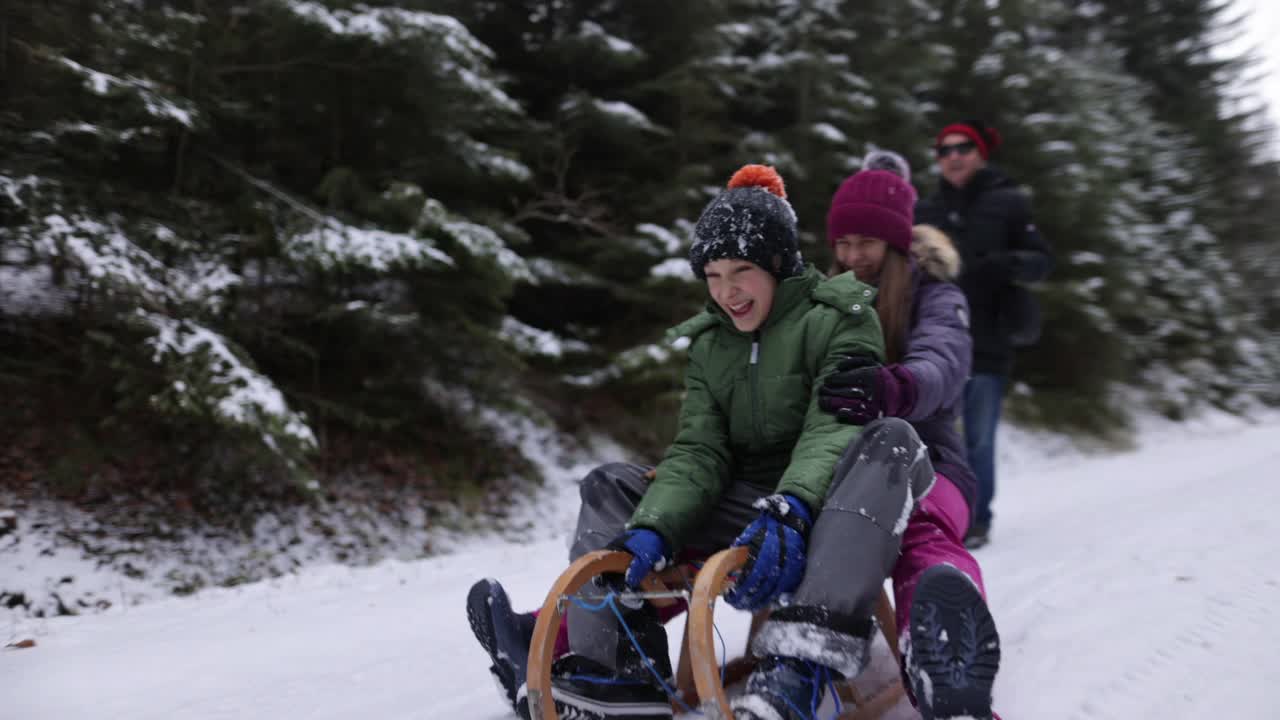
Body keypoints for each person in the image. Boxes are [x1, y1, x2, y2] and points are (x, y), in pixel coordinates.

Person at [468, 164, 936, 720]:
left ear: (779, 264)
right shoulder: (712, 343)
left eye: (741, 270)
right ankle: (619, 674)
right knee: (611, 486)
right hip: (743, 508)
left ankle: (799, 668)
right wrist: (653, 524)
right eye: (713, 274)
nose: (726, 291)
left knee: (892, 440)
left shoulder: (840, 317)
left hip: (829, 510)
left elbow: (832, 427)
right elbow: (700, 450)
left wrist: (791, 507)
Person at [820, 151, 1001, 719]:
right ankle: (576, 648)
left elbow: (942, 363)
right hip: (836, 466)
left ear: (897, 244)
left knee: (920, 529)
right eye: (843, 244)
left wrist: (892, 388)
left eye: (867, 244)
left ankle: (944, 653)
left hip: (931, 462)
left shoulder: (938, 297)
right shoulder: (825, 300)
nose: (854, 258)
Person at [915, 121, 1054, 549]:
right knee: (933, 436)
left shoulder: (1008, 201)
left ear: (980, 153)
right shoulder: (927, 209)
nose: (954, 155)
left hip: (987, 341)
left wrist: (1005, 264)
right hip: (934, 340)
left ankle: (975, 520)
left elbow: (1041, 261)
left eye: (963, 148)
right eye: (945, 149)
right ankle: (935, 515)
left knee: (976, 437)